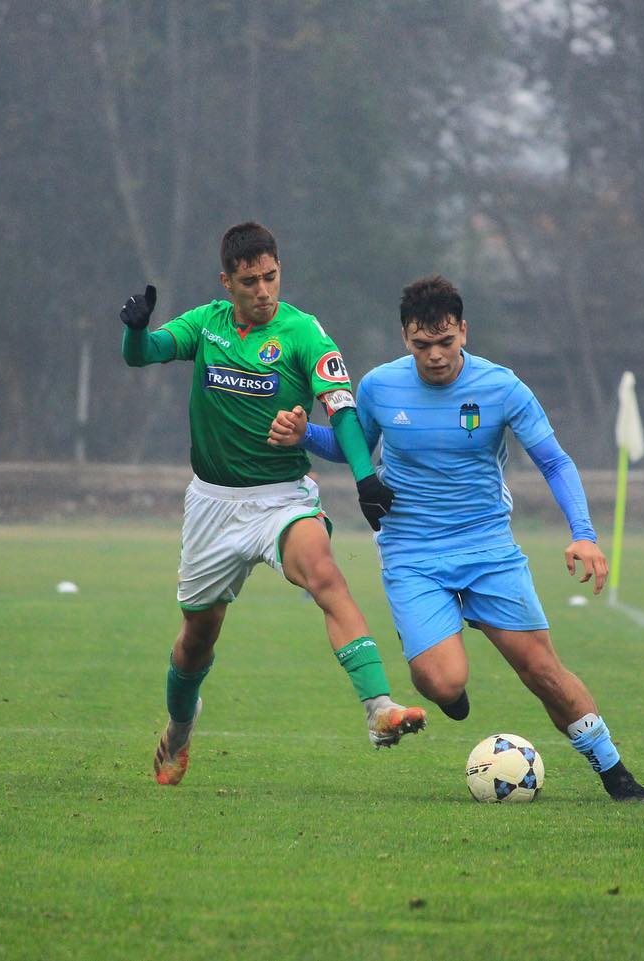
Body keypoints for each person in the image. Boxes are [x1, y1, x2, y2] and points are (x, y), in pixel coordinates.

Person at [267, 276, 644, 803]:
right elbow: (353, 446)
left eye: (445, 342)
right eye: (421, 344)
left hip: (488, 550)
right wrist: (304, 436)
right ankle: (451, 685)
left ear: (463, 331)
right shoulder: (380, 386)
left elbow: (554, 461)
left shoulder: (503, 387)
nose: (434, 356)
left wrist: (583, 535)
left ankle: (616, 775)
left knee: (542, 670)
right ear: (405, 338)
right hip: (412, 555)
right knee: (442, 684)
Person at [117, 222, 426, 786]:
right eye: (250, 281)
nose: (264, 290)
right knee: (196, 639)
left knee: (326, 577)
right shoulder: (205, 326)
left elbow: (342, 408)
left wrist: (365, 479)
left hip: (281, 499)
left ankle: (379, 708)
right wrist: (135, 332)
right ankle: (180, 731)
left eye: (271, 276)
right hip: (212, 504)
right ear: (227, 282)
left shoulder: (304, 333)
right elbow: (145, 354)